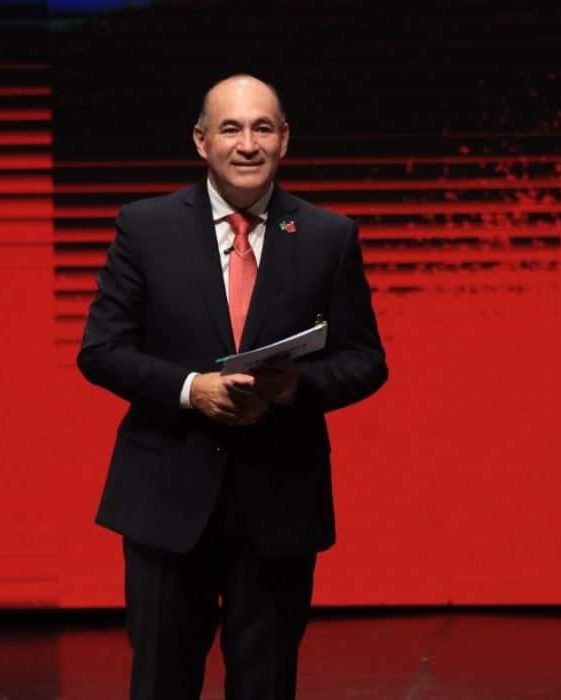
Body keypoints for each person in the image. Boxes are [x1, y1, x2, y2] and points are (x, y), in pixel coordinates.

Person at [77, 74, 387, 699]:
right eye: (231, 129)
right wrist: (193, 389)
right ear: (201, 141)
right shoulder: (146, 227)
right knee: (161, 683)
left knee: (265, 685)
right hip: (166, 499)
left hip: (279, 502)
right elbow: (102, 350)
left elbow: (366, 360)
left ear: (284, 139)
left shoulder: (329, 236)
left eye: (262, 128)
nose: (247, 144)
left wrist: (294, 388)